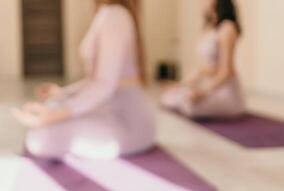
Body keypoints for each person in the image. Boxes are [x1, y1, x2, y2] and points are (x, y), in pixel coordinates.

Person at [13, 0, 155, 160]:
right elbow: (96, 79)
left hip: (127, 122)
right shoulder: (106, 13)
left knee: (41, 138)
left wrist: (56, 115)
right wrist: (62, 92)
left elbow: (104, 84)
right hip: (107, 108)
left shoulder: (115, 14)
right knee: (52, 108)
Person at [161, 0, 245, 119]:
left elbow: (227, 72)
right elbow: (204, 70)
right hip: (209, 85)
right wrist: (180, 85)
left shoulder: (227, 27)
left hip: (224, 90)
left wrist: (203, 92)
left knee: (189, 105)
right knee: (169, 97)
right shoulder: (212, 27)